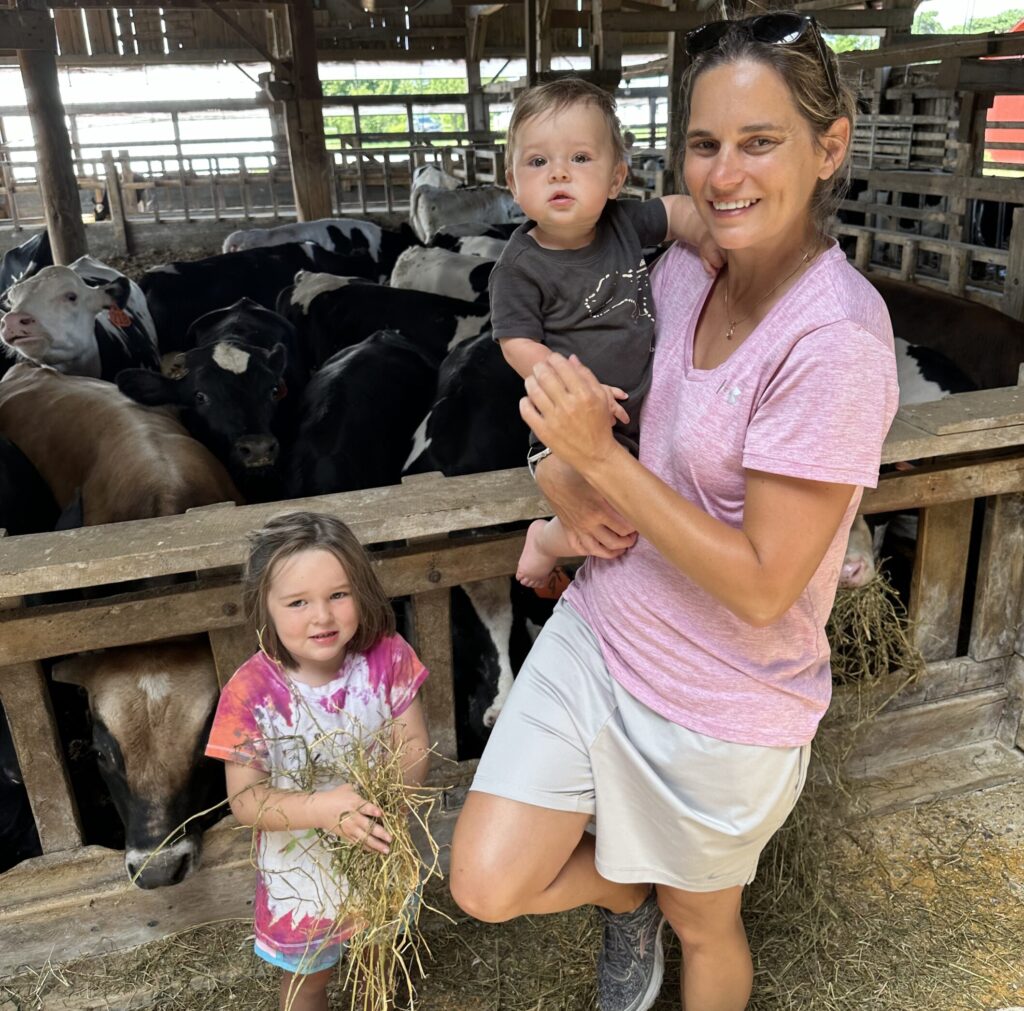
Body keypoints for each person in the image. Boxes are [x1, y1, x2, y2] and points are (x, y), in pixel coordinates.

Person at [451, 12, 898, 1011]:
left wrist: (592, 464)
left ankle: (657, 901)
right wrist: (554, 495)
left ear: (831, 146)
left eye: (759, 141)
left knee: (709, 927)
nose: (724, 174)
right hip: (606, 627)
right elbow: (592, 362)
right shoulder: (684, 264)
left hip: (725, 694)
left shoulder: (834, 343)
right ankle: (629, 893)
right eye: (704, 144)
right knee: (484, 882)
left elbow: (761, 584)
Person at [491, 77, 723, 588]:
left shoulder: (624, 222)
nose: (558, 172)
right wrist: (572, 386)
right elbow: (517, 344)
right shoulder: (518, 267)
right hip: (568, 428)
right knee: (601, 512)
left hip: (640, 419)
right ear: (513, 184)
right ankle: (546, 540)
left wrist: (704, 234)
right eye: (537, 162)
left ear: (616, 179)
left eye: (579, 158)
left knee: (649, 506)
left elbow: (678, 209)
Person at [206, 511, 430, 1011]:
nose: (322, 617)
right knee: (308, 980)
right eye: (298, 602)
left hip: (379, 847)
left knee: (382, 953)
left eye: (338, 595)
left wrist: (390, 795)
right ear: (264, 607)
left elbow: (413, 741)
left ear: (362, 591)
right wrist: (325, 809)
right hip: (301, 874)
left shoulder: (387, 656)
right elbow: (246, 801)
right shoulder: (251, 692)